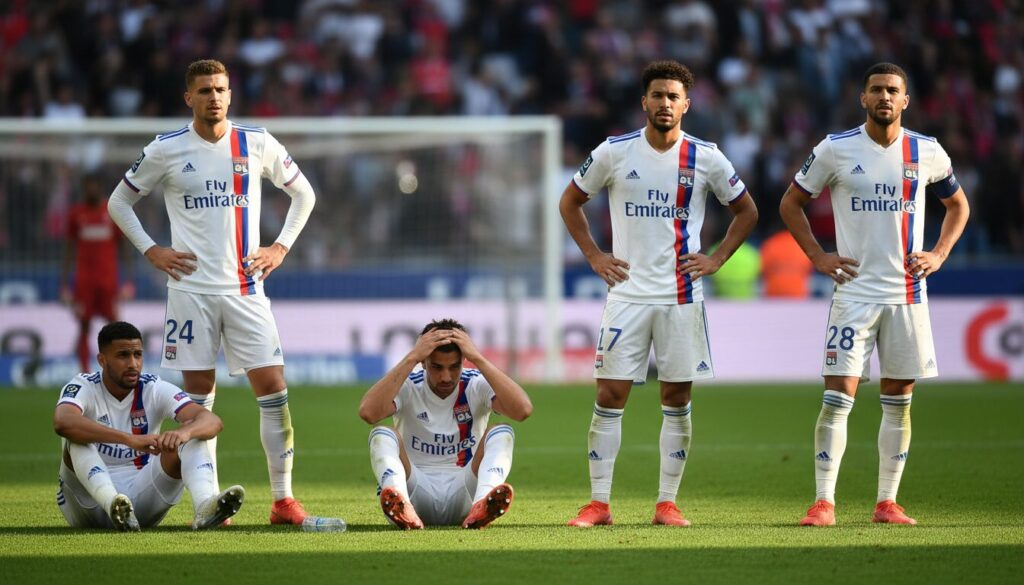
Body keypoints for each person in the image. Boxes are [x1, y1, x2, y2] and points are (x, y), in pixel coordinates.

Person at [106, 59, 331, 526]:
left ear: (231, 94)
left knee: (274, 391)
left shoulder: (257, 142)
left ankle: (283, 501)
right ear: (188, 97)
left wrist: (281, 247)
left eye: (221, 89)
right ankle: (209, 503)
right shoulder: (165, 150)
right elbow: (119, 201)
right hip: (190, 293)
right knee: (196, 400)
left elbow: (304, 194)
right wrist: (152, 250)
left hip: (247, 290)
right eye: (205, 90)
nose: (214, 97)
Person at [560, 60, 759, 527]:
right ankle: (599, 504)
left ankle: (667, 503)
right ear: (644, 102)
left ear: (686, 105)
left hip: (680, 296)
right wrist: (594, 256)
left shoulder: (706, 157)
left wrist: (715, 259)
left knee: (676, 396)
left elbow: (746, 211)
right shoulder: (613, 152)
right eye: (657, 96)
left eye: (673, 97)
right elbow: (570, 201)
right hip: (627, 295)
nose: (665, 104)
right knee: (610, 394)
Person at [779, 62, 970, 526]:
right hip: (854, 294)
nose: (884, 97)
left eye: (893, 90)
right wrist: (818, 257)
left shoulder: (927, 151)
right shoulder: (835, 149)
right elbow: (791, 202)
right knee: (837, 395)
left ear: (905, 100)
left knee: (899, 397)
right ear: (862, 98)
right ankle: (824, 502)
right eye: (876, 90)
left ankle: (887, 502)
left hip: (907, 294)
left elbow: (957, 205)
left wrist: (939, 254)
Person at [54, 321, 244, 531]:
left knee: (191, 437)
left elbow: (212, 421)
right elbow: (63, 422)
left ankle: (204, 508)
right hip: (87, 506)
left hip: (139, 503)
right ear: (102, 360)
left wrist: (183, 432)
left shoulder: (153, 388)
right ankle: (112, 504)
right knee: (76, 441)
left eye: (138, 354)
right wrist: (129, 439)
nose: (133, 364)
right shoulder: (84, 385)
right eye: (123, 355)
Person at [358, 318, 533, 530]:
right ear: (423, 362)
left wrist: (477, 358)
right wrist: (412, 357)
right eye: (436, 367)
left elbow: (523, 410)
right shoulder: (408, 384)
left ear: (463, 361)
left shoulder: (475, 383)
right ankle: (400, 505)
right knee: (382, 433)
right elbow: (368, 412)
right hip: (414, 491)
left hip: (466, 492)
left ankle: (482, 503)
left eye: (454, 366)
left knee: (502, 431)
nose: (446, 377)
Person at [61, 174, 135, 373]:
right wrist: (64, 285)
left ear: (101, 188)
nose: (91, 190)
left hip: (108, 282)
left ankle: (115, 370)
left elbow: (123, 246)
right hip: (84, 281)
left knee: (114, 328)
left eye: (95, 186)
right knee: (84, 325)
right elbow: (69, 249)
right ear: (84, 189)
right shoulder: (76, 214)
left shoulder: (110, 212)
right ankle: (84, 371)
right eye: (88, 186)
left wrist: (128, 281)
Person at [760, 228, 813, 298]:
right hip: (798, 295)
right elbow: (808, 269)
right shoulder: (802, 245)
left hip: (773, 294)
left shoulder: (771, 244)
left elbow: (763, 269)